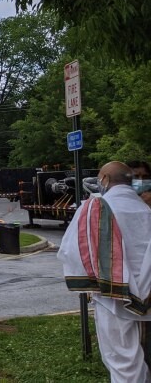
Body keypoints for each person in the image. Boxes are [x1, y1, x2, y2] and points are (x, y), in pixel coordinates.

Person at [58, 161, 151, 382]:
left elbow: (71, 251)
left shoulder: (95, 207)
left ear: (105, 180)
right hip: (148, 294)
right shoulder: (146, 209)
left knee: (121, 359)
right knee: (142, 355)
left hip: (113, 296)